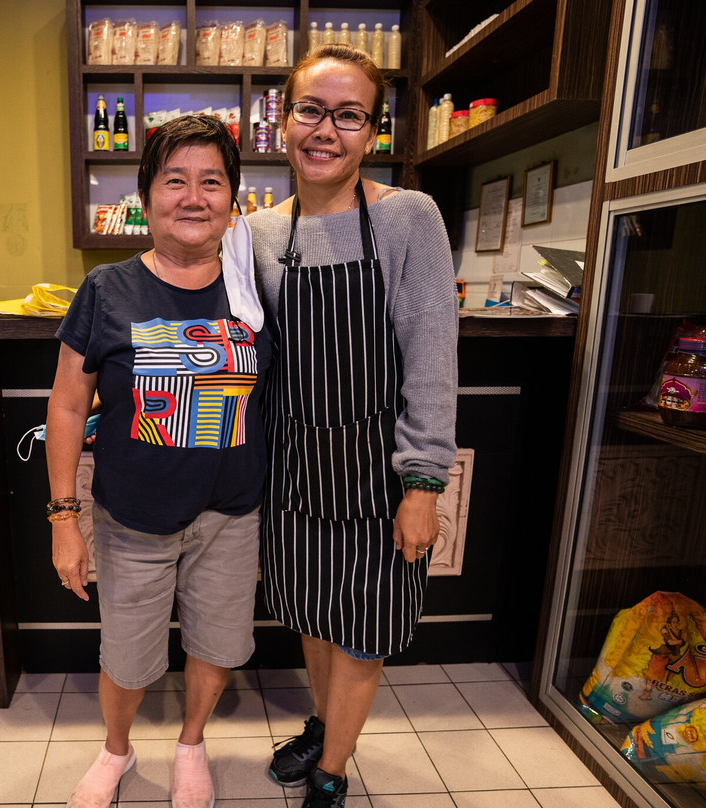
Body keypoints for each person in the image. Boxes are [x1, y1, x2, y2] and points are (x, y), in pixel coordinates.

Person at [247, 44, 458, 808]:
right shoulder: (258, 233)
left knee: (364, 629)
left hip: (378, 475)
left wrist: (423, 484)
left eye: (348, 115)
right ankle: (324, 723)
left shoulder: (408, 217)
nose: (326, 130)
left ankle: (333, 770)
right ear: (283, 121)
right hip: (294, 471)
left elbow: (431, 357)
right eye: (311, 110)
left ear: (372, 130)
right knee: (312, 614)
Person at [46, 114, 270, 808]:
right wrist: (64, 518)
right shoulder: (106, 289)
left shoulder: (256, 286)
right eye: (175, 181)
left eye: (212, 182)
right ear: (146, 199)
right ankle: (116, 750)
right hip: (132, 517)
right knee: (127, 655)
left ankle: (191, 744)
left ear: (233, 199)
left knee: (216, 645)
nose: (194, 197)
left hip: (230, 514)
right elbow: (67, 406)